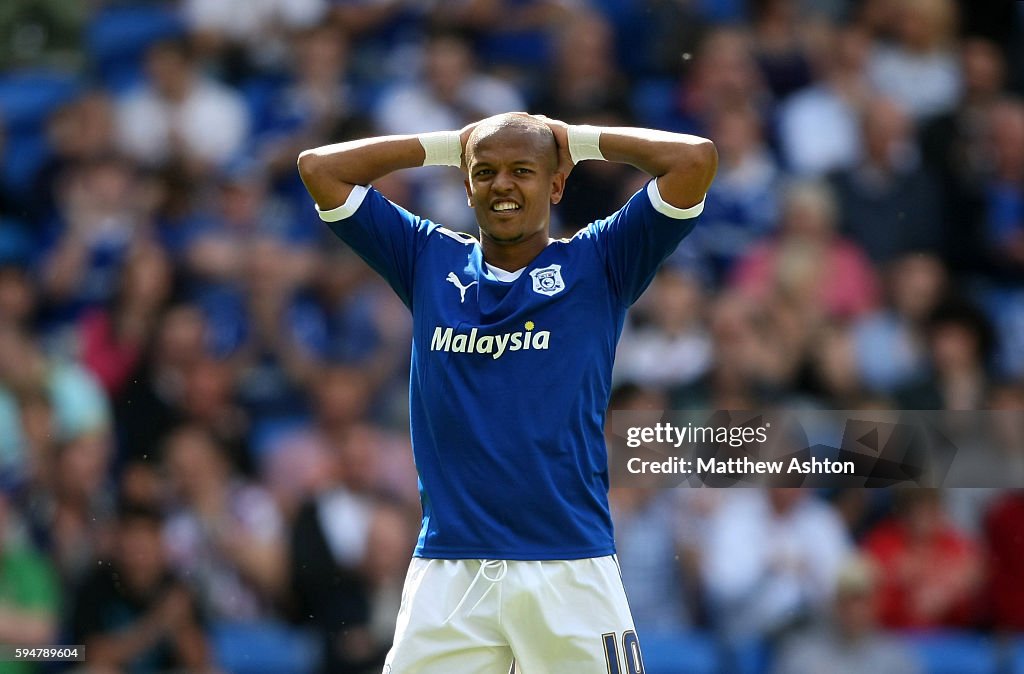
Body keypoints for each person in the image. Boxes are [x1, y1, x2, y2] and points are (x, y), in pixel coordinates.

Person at [297, 112, 716, 672]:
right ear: (466, 185)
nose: (503, 185)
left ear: (556, 183)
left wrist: (576, 141)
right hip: (451, 571)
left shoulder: (601, 261)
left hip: (568, 565)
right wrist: (452, 146)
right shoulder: (427, 258)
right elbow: (320, 169)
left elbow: (694, 159)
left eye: (523, 170)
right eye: (486, 172)